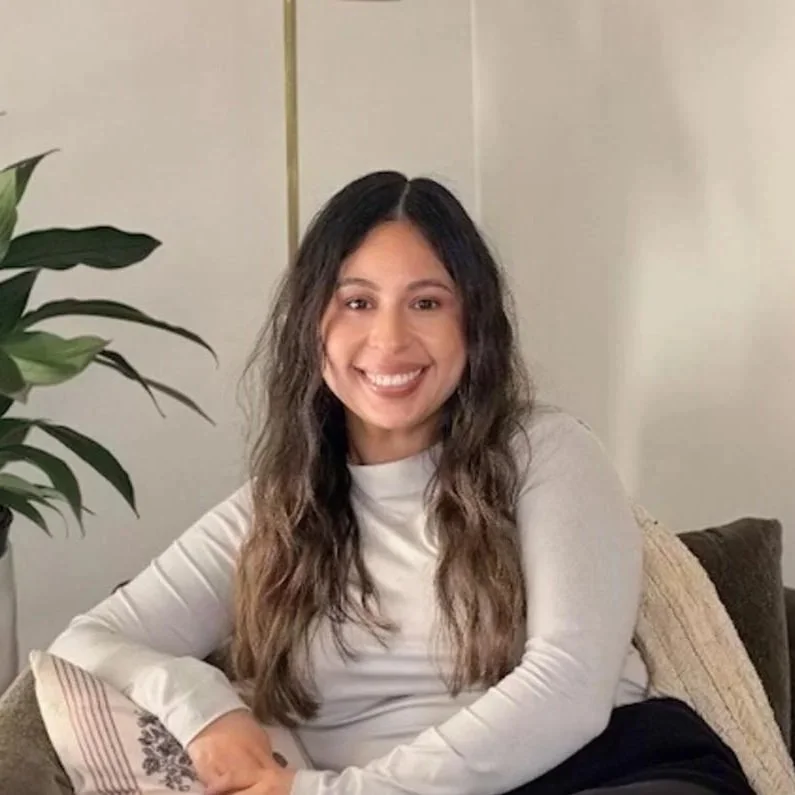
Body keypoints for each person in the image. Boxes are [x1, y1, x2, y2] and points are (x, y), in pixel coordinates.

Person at [49, 172, 753, 795]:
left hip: (607, 771)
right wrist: (205, 704)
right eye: (356, 302)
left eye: (425, 303)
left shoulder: (545, 453)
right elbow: (91, 638)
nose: (389, 340)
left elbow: (567, 690)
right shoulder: (272, 510)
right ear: (310, 325)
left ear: (472, 324)